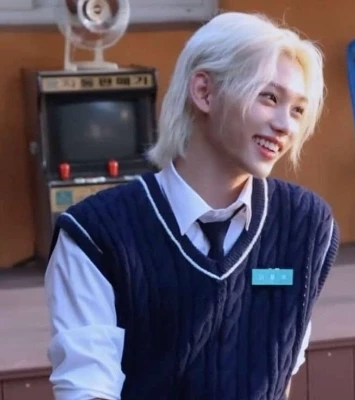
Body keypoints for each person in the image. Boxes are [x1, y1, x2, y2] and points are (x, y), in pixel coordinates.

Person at [44, 11, 339, 400]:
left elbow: (279, 371)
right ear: (204, 92)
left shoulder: (306, 224)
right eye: (269, 97)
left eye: (298, 109)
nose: (287, 125)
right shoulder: (94, 234)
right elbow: (87, 390)